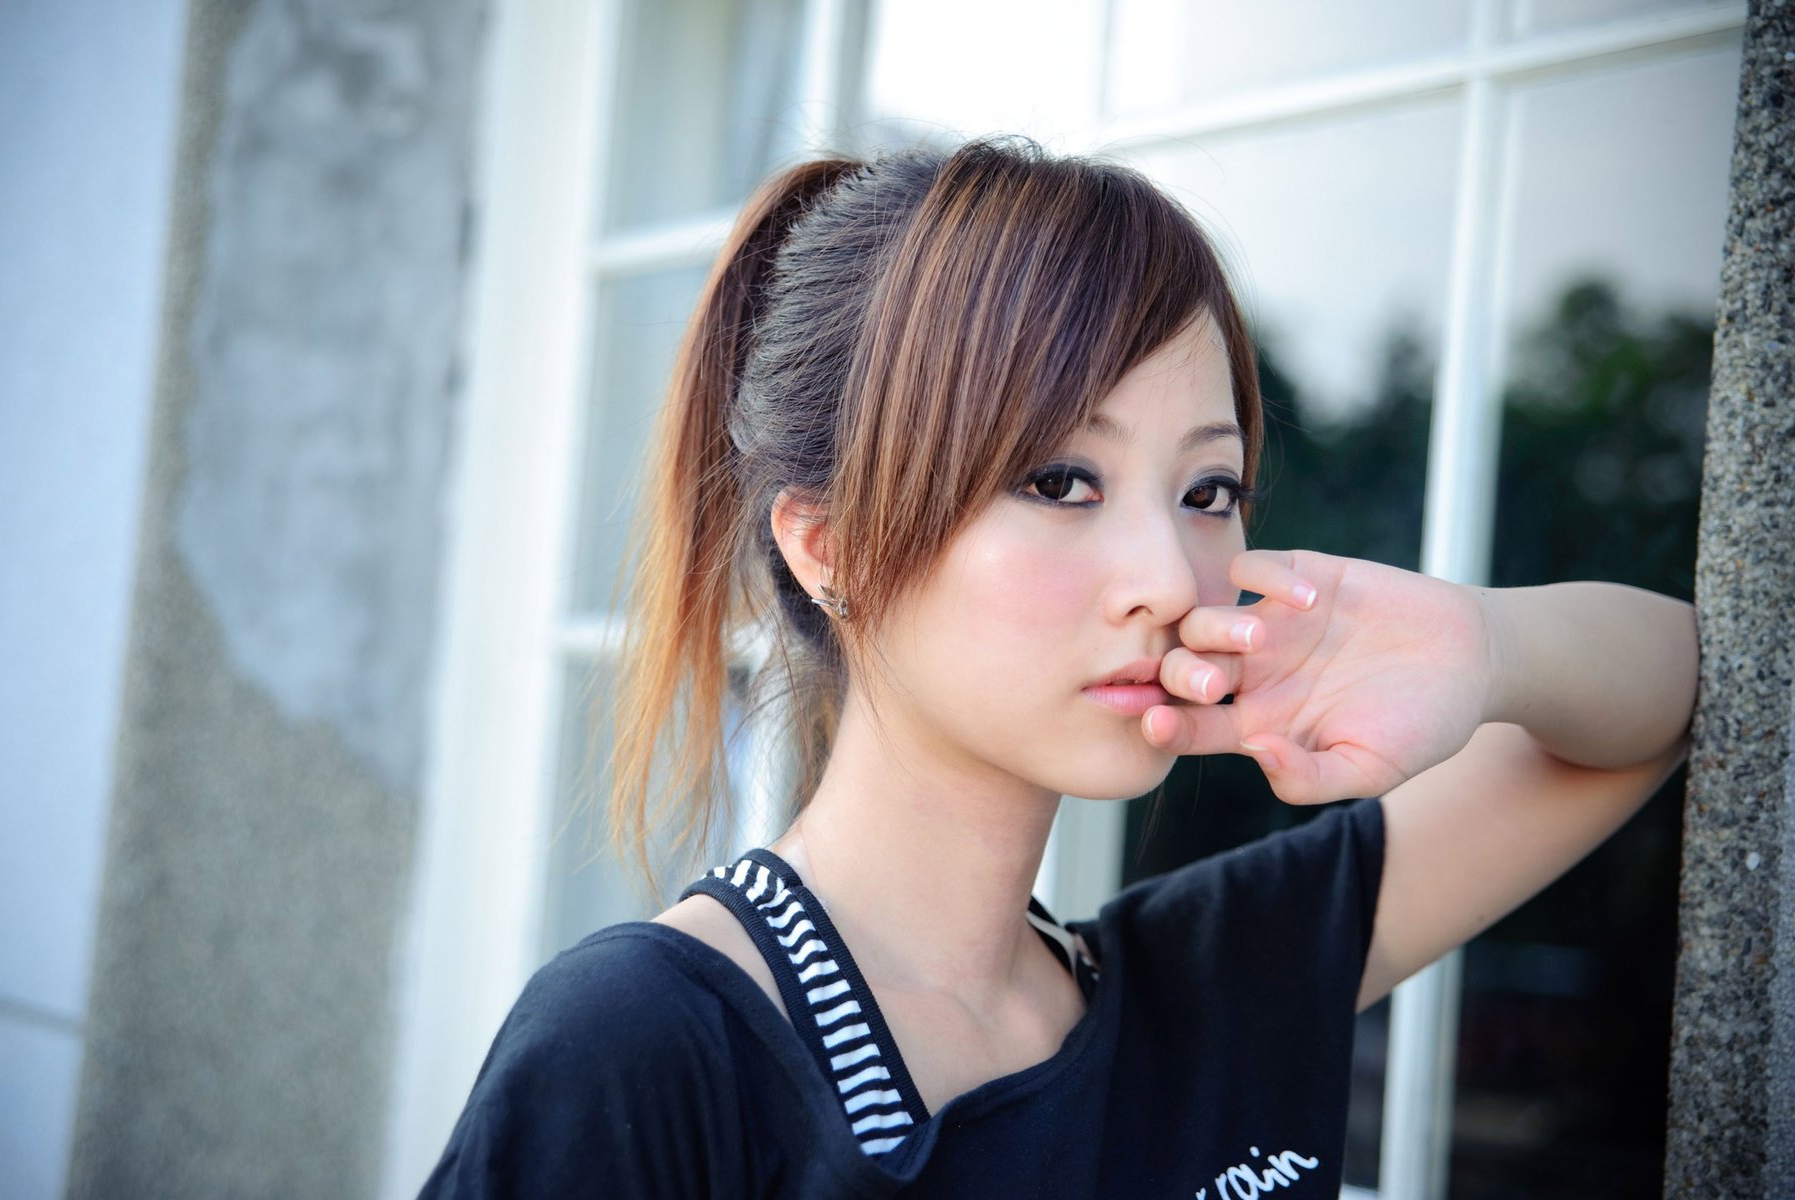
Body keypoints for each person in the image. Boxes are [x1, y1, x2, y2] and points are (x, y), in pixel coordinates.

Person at [418, 138, 1699, 1198]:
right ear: (828, 546)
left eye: (1208, 490)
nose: (1170, 575)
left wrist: (1479, 648)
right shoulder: (646, 1048)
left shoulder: (1212, 989)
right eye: (1060, 480)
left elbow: (1674, 689)